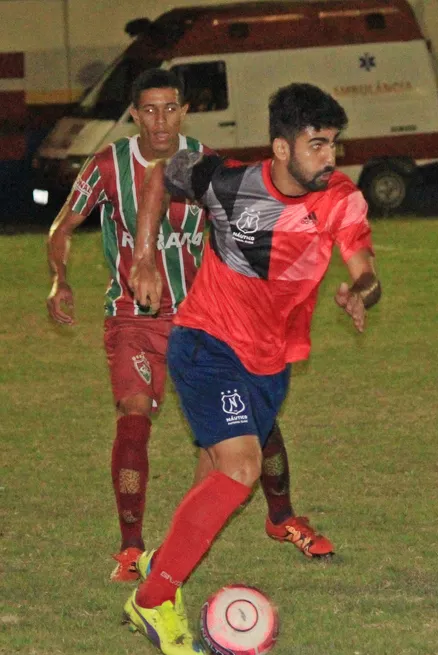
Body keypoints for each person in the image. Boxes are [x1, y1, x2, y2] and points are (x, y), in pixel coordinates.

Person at [123, 83, 380, 655]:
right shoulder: (227, 181)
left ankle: (167, 568)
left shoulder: (340, 199)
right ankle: (153, 596)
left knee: (213, 474)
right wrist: (144, 254)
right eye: (317, 144)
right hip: (206, 343)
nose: (330, 157)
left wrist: (362, 291)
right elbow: (160, 174)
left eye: (334, 144)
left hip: (272, 364)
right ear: (282, 149)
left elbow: (365, 266)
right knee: (240, 469)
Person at [45, 69, 334, 583]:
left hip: (207, 320)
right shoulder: (109, 165)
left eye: (170, 108)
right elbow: (62, 226)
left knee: (256, 427)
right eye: (149, 110)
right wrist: (59, 278)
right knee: (134, 417)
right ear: (134, 115)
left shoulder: (203, 161)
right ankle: (132, 550)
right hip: (136, 317)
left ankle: (282, 517)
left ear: (184, 111)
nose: (161, 120)